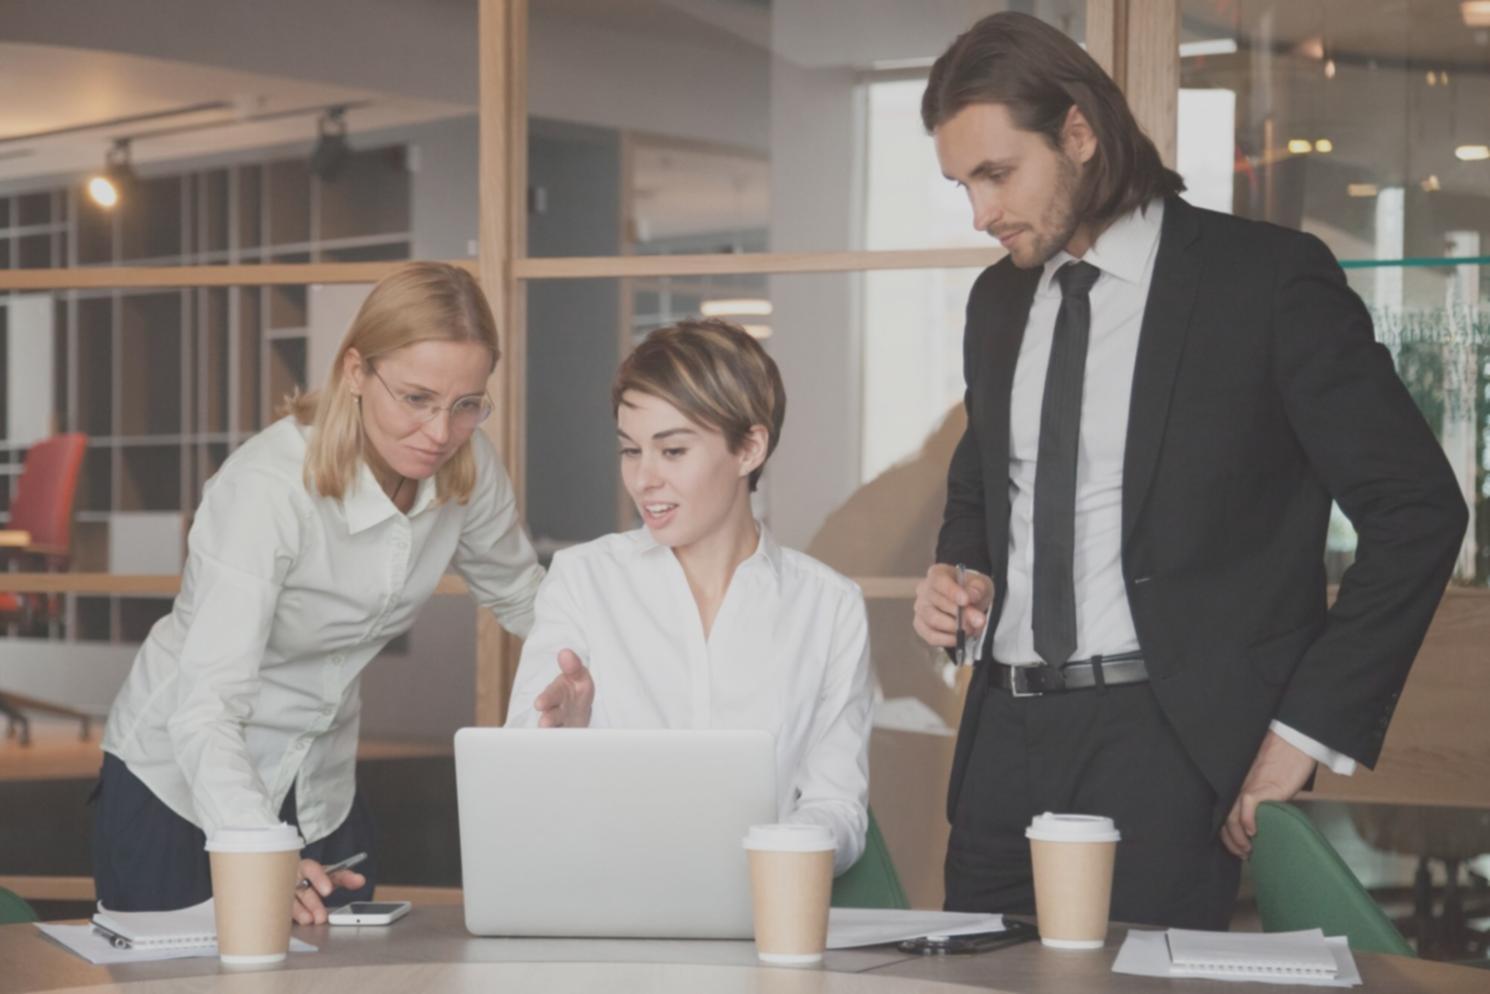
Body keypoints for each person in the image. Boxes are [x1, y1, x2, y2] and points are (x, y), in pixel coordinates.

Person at [909, 12, 1468, 928]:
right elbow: (983, 481)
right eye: (961, 182)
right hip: (1001, 747)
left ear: (1080, 133)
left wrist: (1302, 733)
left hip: (1165, 748)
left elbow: (1418, 510)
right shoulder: (997, 301)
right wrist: (961, 569)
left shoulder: (1268, 283)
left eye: (996, 173)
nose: (980, 212)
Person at [94, 262, 544, 923]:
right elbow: (205, 708)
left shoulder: (466, 471)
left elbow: (523, 596)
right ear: (356, 372)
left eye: (466, 404)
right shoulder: (268, 491)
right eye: (416, 398)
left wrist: (630, 664)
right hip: (182, 783)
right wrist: (260, 851)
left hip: (319, 785)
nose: (439, 433)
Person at [505, 318, 874, 875]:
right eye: (631, 451)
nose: (643, 479)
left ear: (749, 448)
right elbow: (517, 791)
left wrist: (763, 855)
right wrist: (565, 740)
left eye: (672, 451)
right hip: (607, 912)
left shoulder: (829, 608)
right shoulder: (583, 580)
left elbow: (838, 807)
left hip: (760, 916)